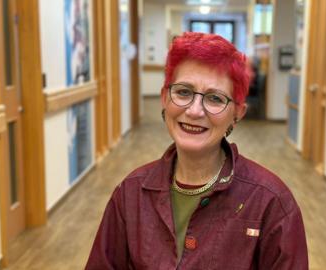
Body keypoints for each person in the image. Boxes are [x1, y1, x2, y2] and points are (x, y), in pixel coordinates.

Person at [86, 32, 308, 270]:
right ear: (164, 98)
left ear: (238, 114)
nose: (194, 111)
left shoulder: (271, 202)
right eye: (183, 92)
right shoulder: (130, 194)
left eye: (214, 98)